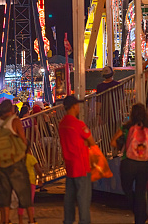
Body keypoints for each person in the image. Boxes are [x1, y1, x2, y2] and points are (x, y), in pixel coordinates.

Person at [0, 100, 34, 224]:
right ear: (12, 110)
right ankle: (30, 220)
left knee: (4, 194)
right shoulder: (15, 121)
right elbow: (23, 141)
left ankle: (4, 220)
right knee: (23, 192)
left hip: (0, 163)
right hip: (15, 162)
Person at [110, 103, 148, 224]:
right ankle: (140, 219)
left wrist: (124, 143)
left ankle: (139, 214)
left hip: (128, 163)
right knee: (141, 193)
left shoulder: (125, 127)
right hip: (144, 165)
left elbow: (113, 142)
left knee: (128, 190)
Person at [58, 95, 95, 224]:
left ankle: (68, 221)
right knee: (83, 200)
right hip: (82, 165)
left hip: (69, 166)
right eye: (78, 105)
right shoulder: (78, 124)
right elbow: (91, 141)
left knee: (69, 199)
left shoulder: (62, 124)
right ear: (74, 106)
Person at [17, 148, 43, 224]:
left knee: (21, 202)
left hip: (20, 182)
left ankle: (20, 221)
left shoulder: (18, 158)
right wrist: (40, 178)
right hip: (30, 182)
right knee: (30, 202)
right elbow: (38, 170)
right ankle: (31, 220)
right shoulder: (31, 158)